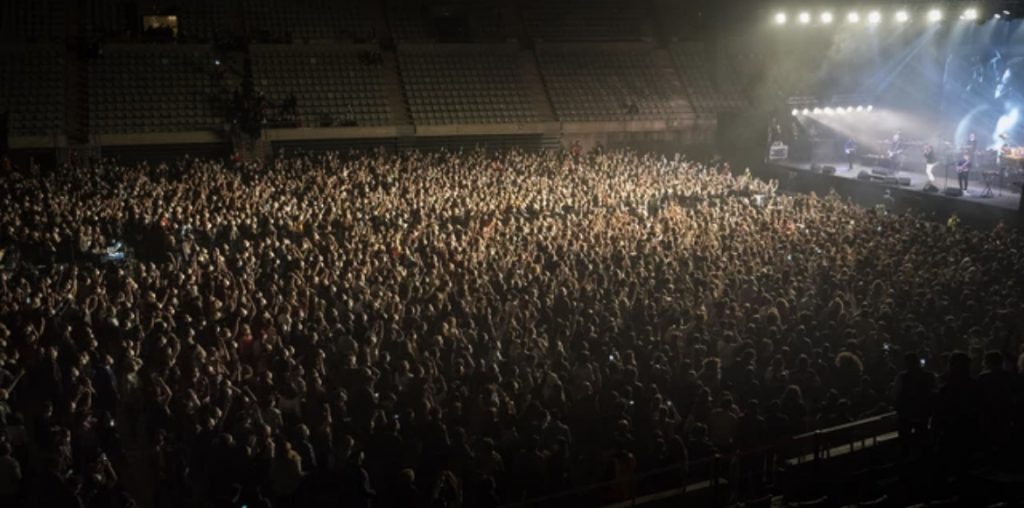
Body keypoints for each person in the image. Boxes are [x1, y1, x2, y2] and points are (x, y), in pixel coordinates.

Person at [892, 352, 935, 454]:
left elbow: (894, 395)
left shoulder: (902, 377)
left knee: (905, 444)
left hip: (906, 415)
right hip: (923, 414)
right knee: (923, 441)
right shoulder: (929, 376)